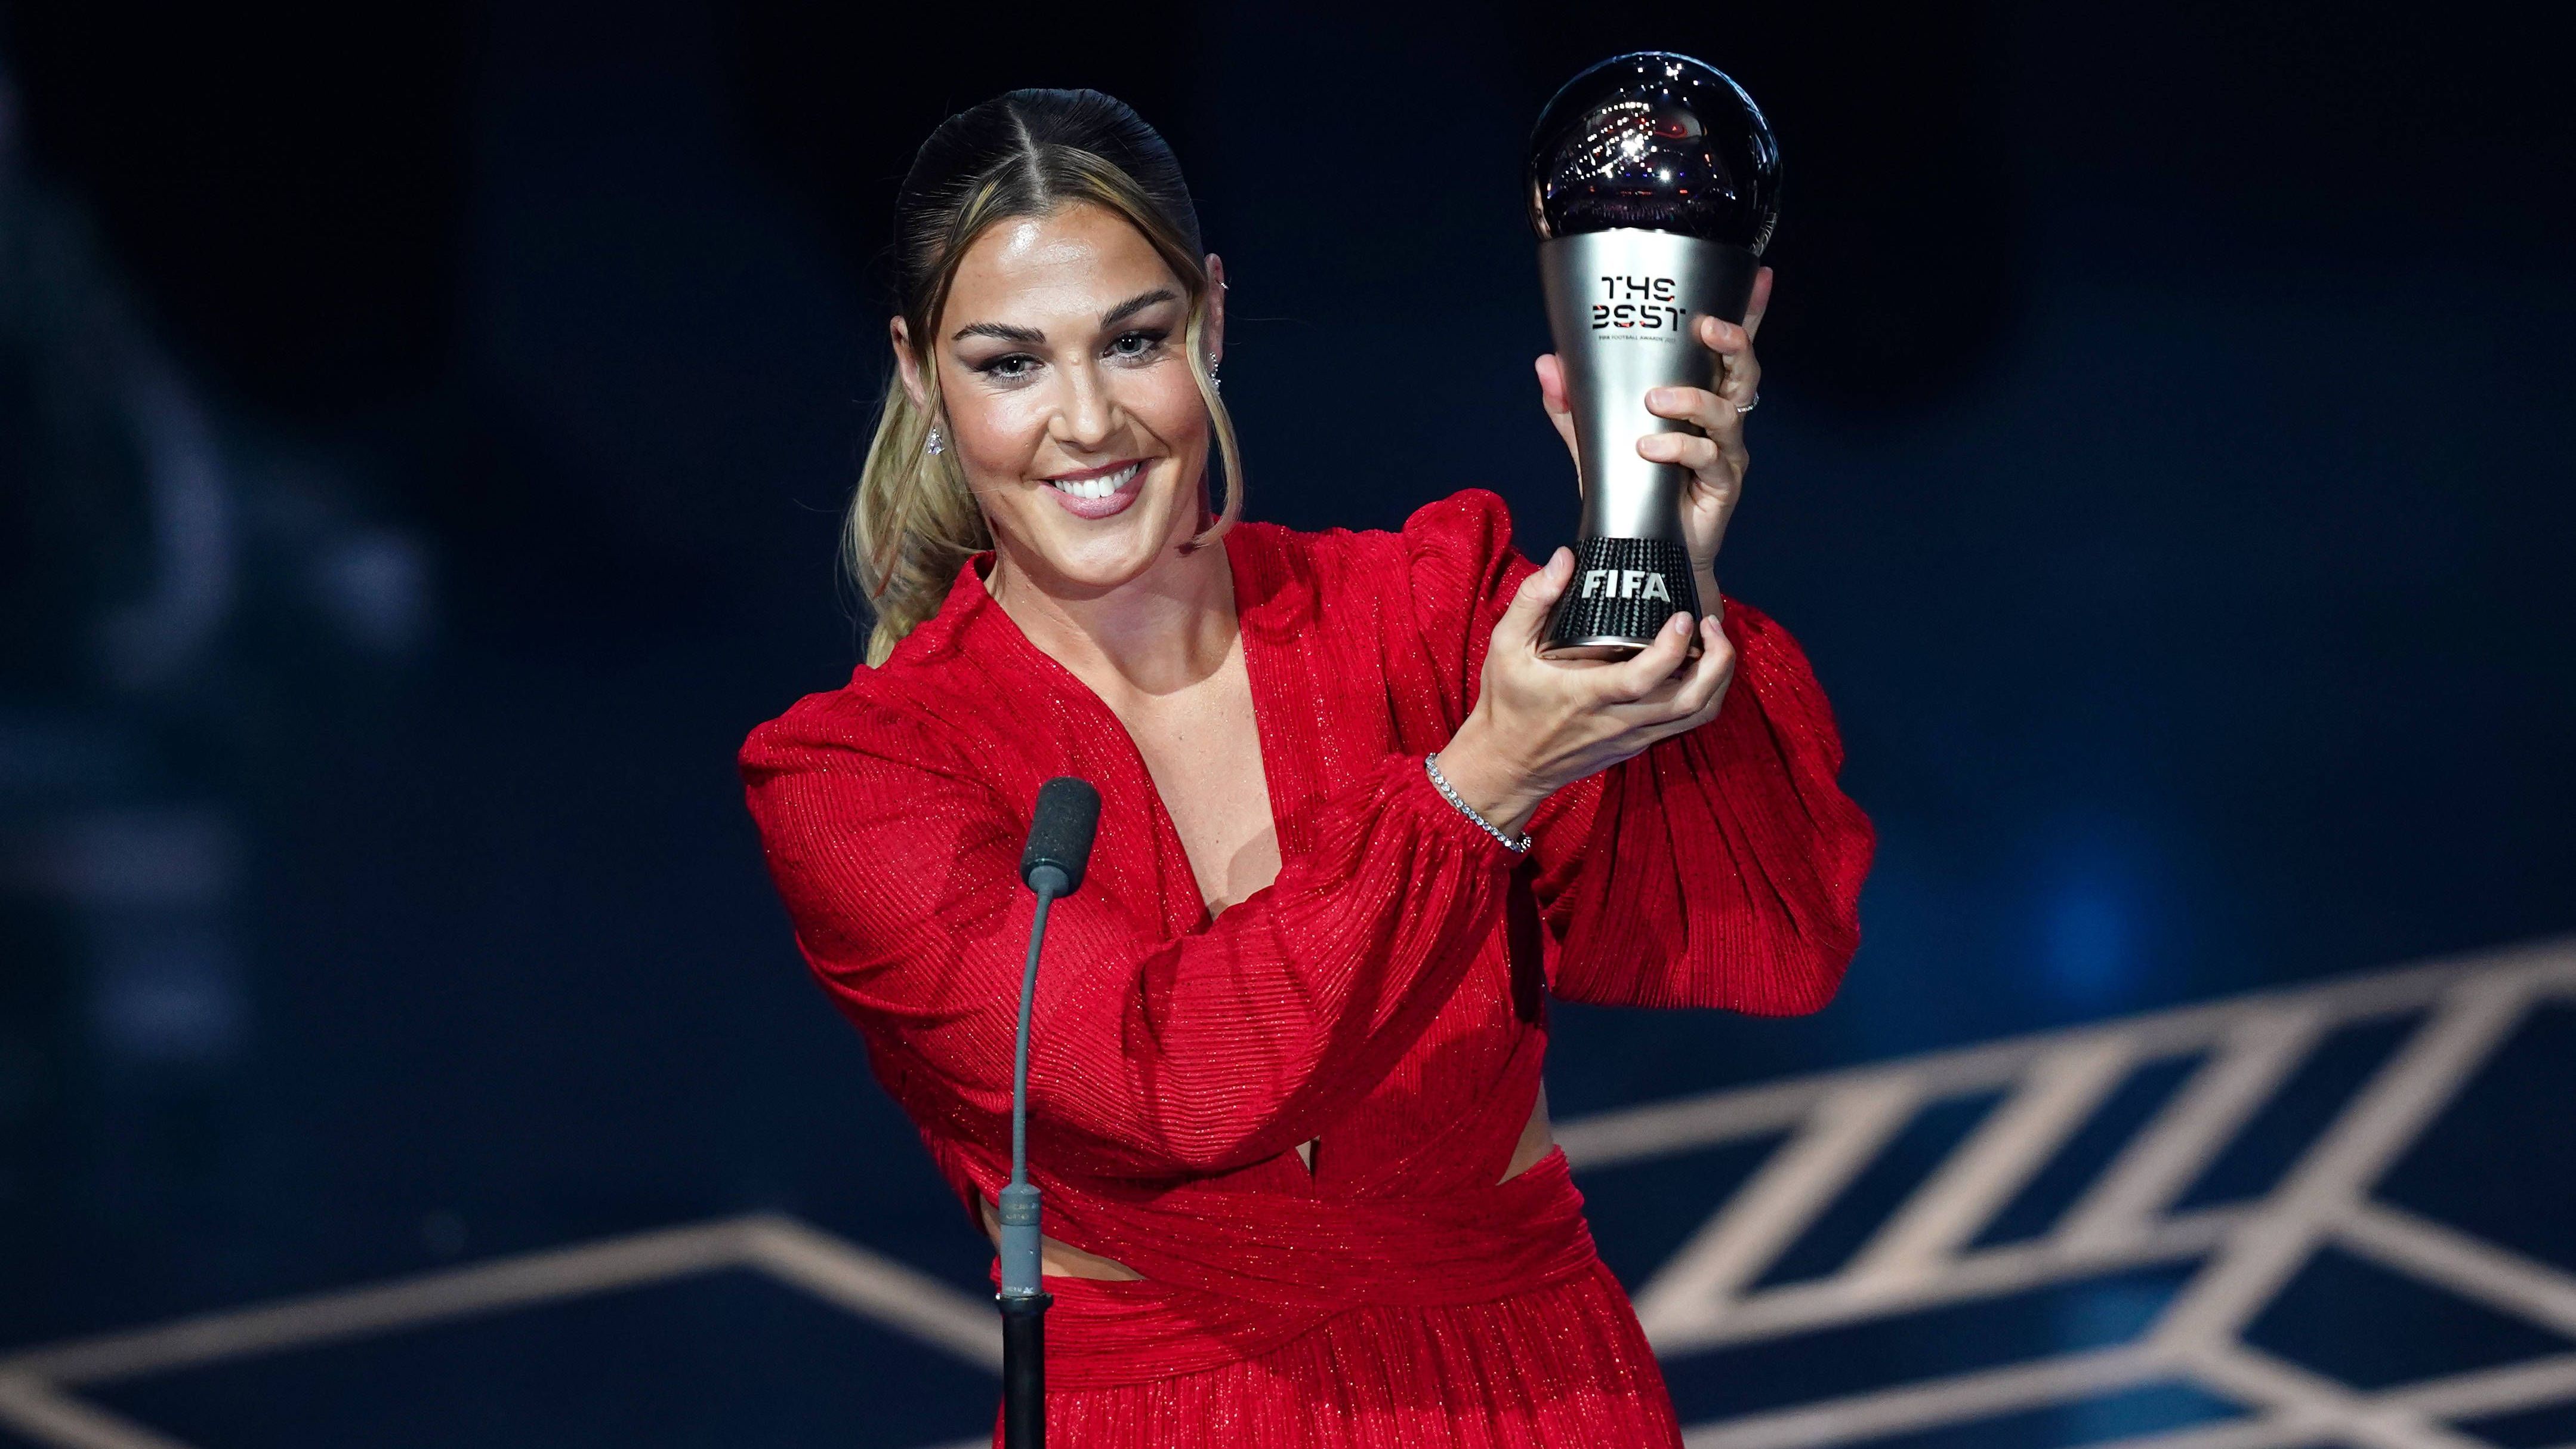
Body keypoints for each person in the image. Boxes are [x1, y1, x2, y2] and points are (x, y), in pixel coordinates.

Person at [740, 88, 1872, 1448]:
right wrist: (1476, 787)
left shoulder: (1426, 614)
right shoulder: (855, 778)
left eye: (1134, 340)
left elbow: (1762, 930)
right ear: (921, 374)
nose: (1087, 420)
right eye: (1008, 363)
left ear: (1210, 322)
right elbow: (1160, 1090)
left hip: (1528, 1392)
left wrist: (1652, 557)